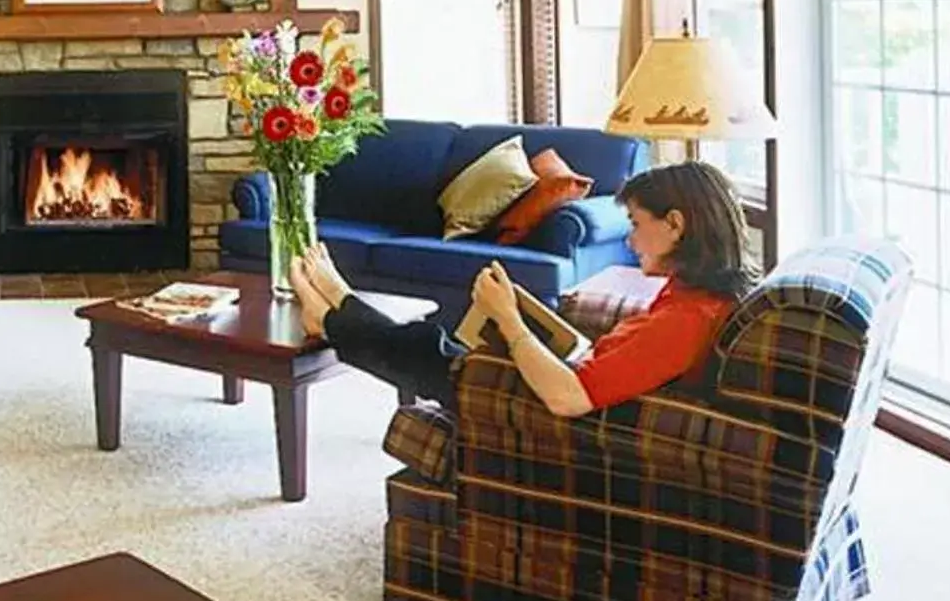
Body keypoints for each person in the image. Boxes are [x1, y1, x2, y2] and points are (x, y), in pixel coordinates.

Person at [287, 159, 756, 420]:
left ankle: (330, 314)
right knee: (430, 346)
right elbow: (615, 368)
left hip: (541, 411)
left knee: (424, 347)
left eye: (635, 224)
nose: (630, 239)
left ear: (676, 225)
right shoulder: (698, 298)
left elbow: (569, 399)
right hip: (564, 378)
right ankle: (334, 307)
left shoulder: (685, 321)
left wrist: (509, 318)